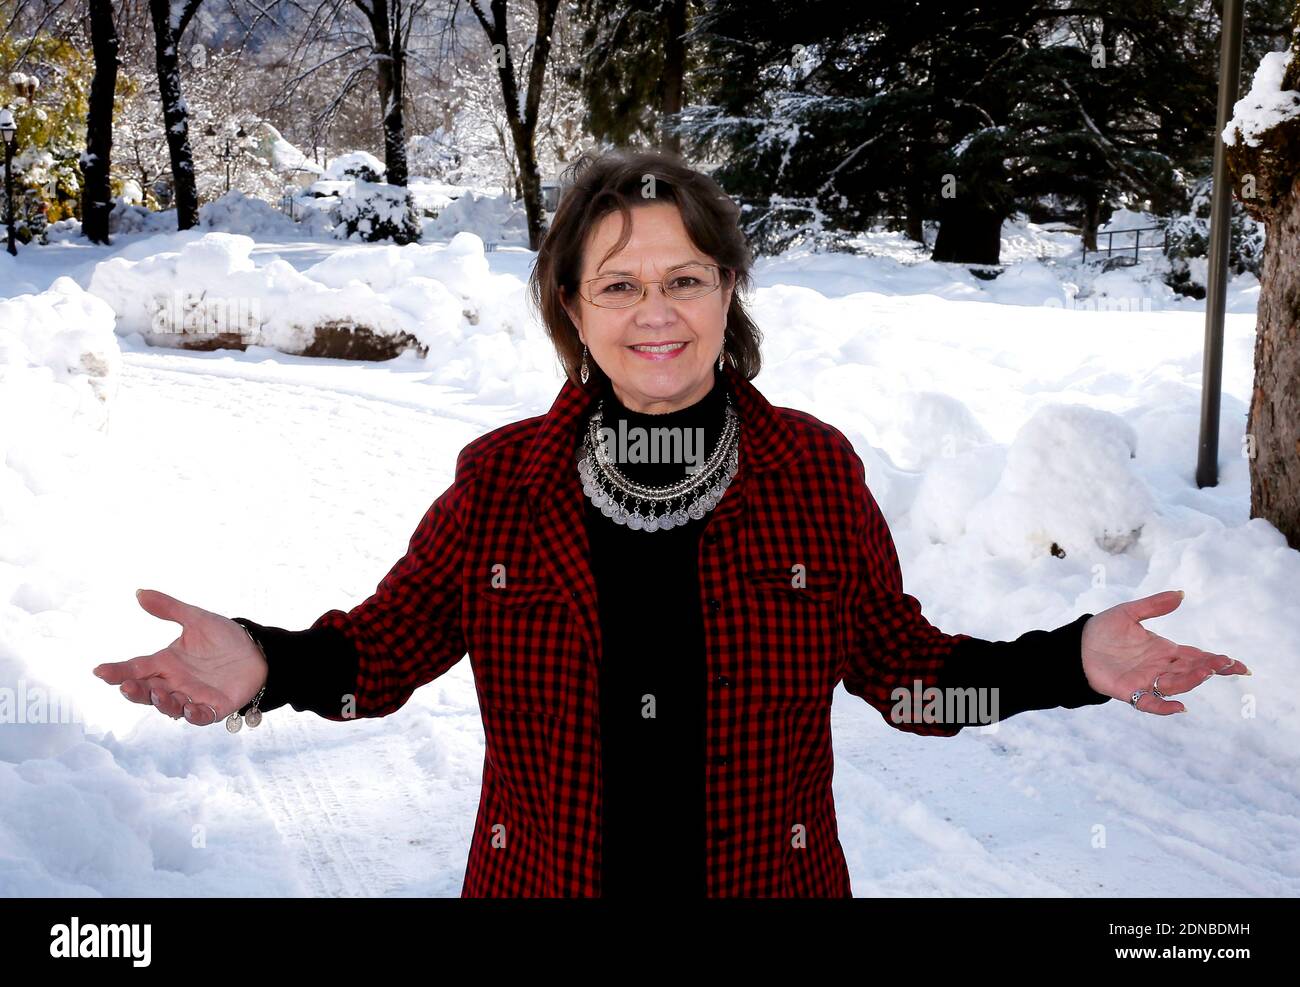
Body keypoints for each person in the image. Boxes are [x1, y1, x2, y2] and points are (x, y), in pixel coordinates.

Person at [92, 147, 1251, 898]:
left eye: (687, 278)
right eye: (621, 285)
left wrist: (1066, 664)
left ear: (729, 293)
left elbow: (906, 678)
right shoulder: (503, 480)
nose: (658, 313)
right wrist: (268, 664)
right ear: (570, 307)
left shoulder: (811, 470)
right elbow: (382, 657)